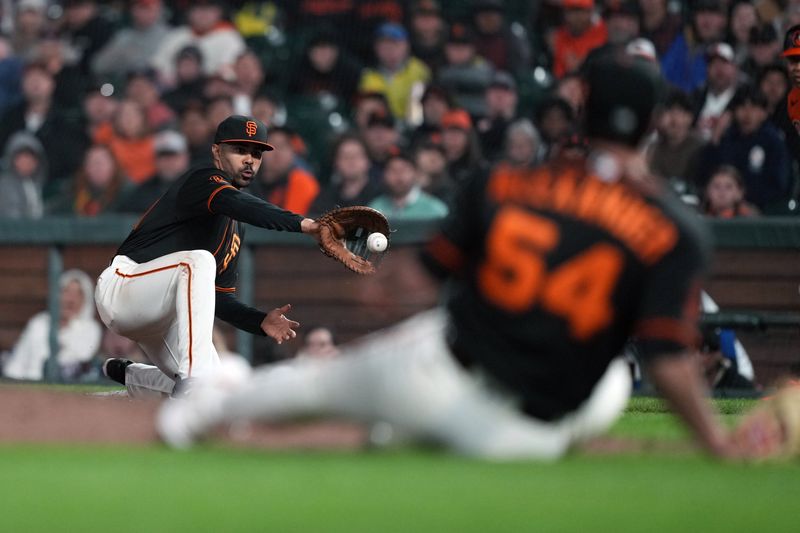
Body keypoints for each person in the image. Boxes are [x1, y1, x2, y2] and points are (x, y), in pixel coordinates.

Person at [157, 54, 748, 461]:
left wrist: (379, 282)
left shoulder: (503, 183)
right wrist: (720, 447)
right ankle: (407, 434)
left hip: (436, 379)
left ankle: (200, 415)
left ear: (579, 112)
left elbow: (415, 281)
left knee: (316, 388)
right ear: (651, 123)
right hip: (521, 440)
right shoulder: (675, 228)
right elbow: (668, 364)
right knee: (615, 376)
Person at [95, 115, 324, 398]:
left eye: (256, 153)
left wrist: (259, 321)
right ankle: (193, 378)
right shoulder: (202, 180)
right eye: (240, 150)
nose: (250, 160)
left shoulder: (235, 227)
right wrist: (304, 224)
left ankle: (131, 378)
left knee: (219, 391)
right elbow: (239, 203)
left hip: (162, 315)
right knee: (199, 261)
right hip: (125, 287)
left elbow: (218, 298)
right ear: (217, 151)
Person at [3, 270, 102, 382]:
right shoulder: (38, 323)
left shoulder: (91, 329)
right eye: (66, 291)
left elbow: (76, 361)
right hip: (28, 387)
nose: (71, 299)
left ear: (85, 299)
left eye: (78, 294)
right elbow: (18, 361)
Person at [368, 150, 449, 221]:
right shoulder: (375, 208)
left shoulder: (435, 210)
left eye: (404, 170)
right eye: (392, 170)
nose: (398, 176)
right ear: (384, 175)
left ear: (416, 173)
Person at [0, 131, 47, 219]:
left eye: (31, 158)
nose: (27, 162)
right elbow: (13, 219)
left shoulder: (36, 184)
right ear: (13, 160)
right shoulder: (5, 185)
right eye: (22, 157)